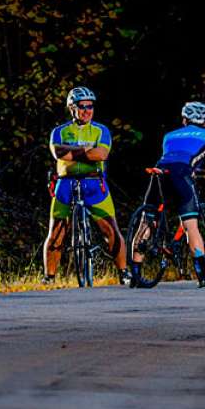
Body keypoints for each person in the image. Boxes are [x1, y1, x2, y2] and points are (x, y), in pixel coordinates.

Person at [42, 86, 131, 285]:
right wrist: (87, 150)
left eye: (90, 106)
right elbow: (58, 153)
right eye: (82, 106)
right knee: (56, 231)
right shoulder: (59, 132)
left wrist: (73, 152)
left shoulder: (102, 130)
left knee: (110, 228)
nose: (87, 110)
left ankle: (124, 272)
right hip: (65, 183)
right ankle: (49, 277)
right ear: (72, 108)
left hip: (94, 183)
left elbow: (101, 155)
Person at [132, 101, 205, 288]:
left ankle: (135, 275)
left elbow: (173, 158)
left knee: (146, 221)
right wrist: (203, 173)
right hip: (182, 175)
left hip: (159, 171)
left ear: (184, 120)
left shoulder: (169, 136)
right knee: (191, 225)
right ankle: (203, 277)